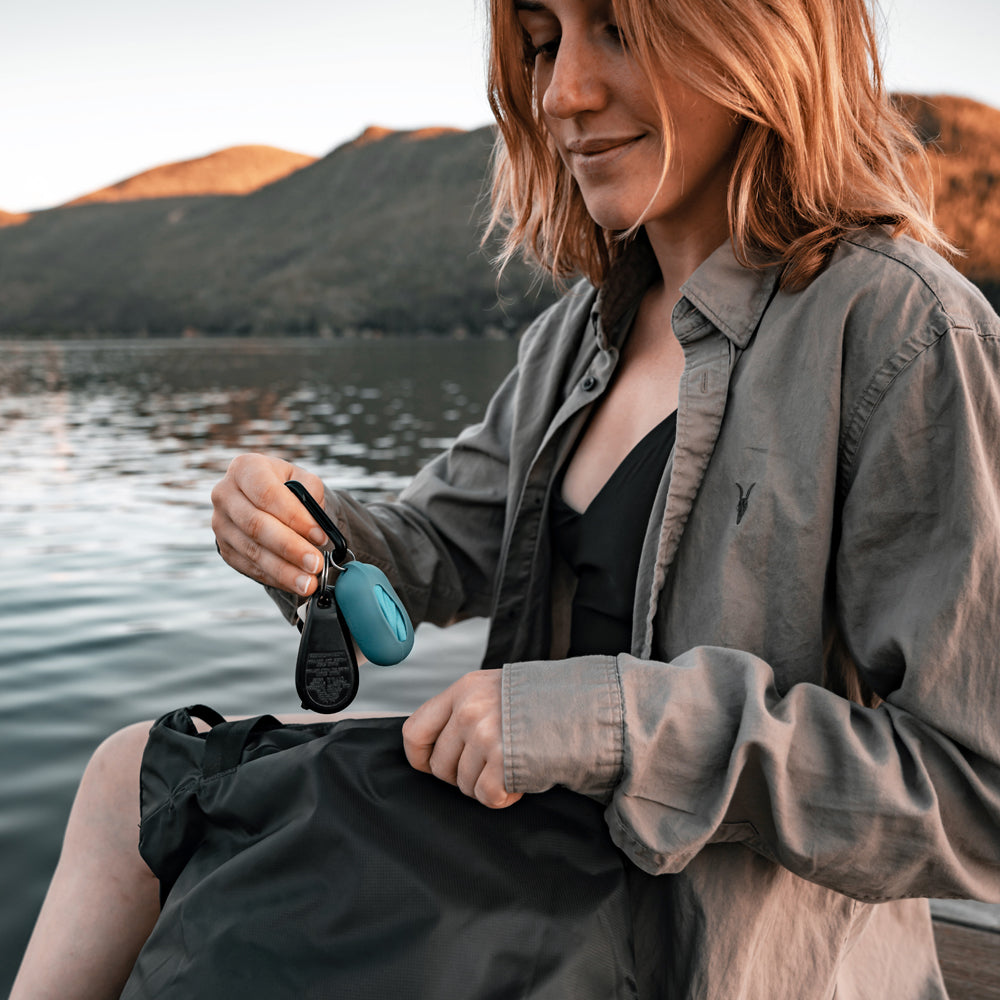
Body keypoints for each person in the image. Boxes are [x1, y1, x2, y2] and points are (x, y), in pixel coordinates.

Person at [13, 0, 1000, 996]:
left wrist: (610, 722)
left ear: (759, 37)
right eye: (541, 43)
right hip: (530, 890)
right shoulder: (573, 338)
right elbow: (427, 552)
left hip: (704, 957)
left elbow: (976, 796)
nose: (563, 94)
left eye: (620, 30)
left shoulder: (906, 334)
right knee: (135, 780)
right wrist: (304, 527)